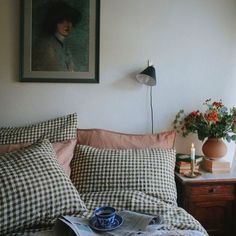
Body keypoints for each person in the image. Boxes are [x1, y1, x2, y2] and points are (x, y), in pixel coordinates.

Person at [32, 1, 81, 71]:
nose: (67, 25)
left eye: (69, 21)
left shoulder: (65, 48)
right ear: (54, 22)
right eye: (61, 21)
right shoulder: (46, 46)